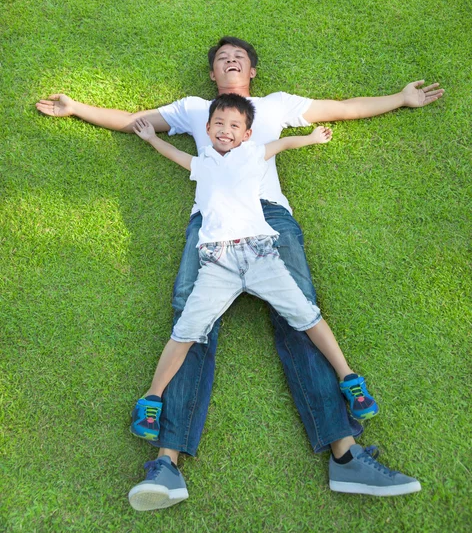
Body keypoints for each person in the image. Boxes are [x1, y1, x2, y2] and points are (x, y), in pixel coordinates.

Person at [36, 37, 442, 508]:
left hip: (271, 218)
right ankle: (166, 464)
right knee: (190, 325)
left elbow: (343, 109)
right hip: (212, 229)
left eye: (240, 58)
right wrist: (77, 108)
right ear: (212, 76)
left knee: (301, 317)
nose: (230, 61)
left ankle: (346, 457)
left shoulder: (275, 106)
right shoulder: (195, 110)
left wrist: (402, 98)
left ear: (252, 73)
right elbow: (137, 123)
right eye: (221, 59)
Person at [130, 94, 378, 451]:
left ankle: (349, 379)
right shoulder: (204, 163)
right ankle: (151, 400)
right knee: (186, 329)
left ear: (246, 134)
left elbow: (282, 143)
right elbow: (178, 156)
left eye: (234, 126)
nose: (225, 131)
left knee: (306, 314)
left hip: (261, 255)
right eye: (218, 124)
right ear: (207, 129)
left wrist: (310, 139)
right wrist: (153, 139)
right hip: (217, 262)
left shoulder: (252, 153)